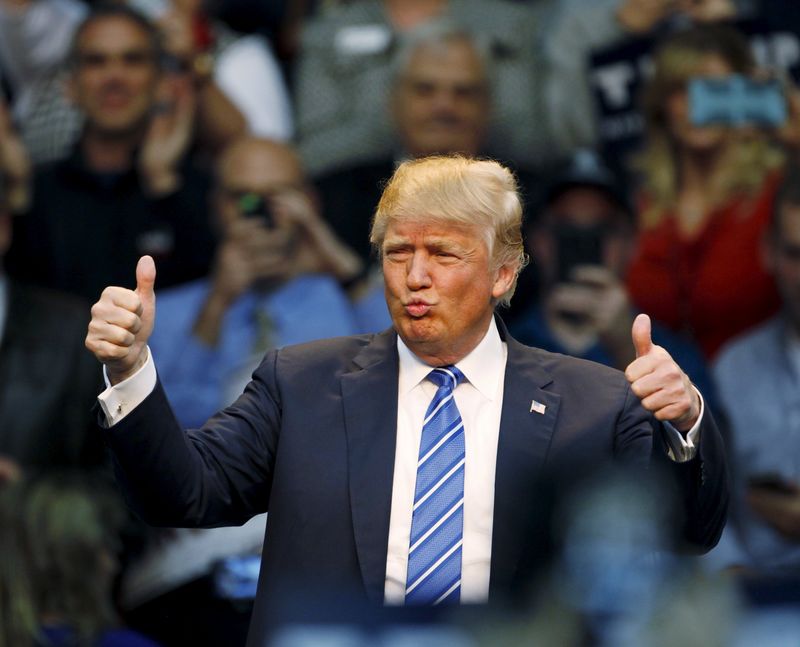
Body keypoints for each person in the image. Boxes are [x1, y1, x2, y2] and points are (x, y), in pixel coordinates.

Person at [86, 156, 728, 645]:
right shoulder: (300, 383)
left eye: (443, 253)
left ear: (504, 273)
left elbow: (689, 535)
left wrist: (685, 422)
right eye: (398, 253)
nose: (414, 276)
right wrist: (131, 370)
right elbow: (183, 493)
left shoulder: (596, 399)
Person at [3, 4, 219, 301]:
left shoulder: (201, 190)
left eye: (133, 60)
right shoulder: (37, 193)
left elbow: (210, 307)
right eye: (96, 61)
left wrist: (162, 183)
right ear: (70, 86)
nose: (114, 77)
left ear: (161, 84)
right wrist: (17, 193)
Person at [624, 23, 798, 358]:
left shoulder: (777, 191)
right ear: (662, 103)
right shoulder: (643, 203)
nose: (695, 104)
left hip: (763, 390)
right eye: (680, 89)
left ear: (742, 96)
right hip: (661, 396)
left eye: (713, 89)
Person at [510, 149, 715, 402]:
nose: (584, 243)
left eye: (602, 230)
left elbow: (699, 438)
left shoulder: (672, 358)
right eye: (567, 230)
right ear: (538, 239)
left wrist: (628, 353)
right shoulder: (504, 347)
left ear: (632, 243)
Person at [709, 165, 800, 574]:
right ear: (769, 251)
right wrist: (729, 573)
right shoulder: (735, 368)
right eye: (796, 254)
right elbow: (703, 502)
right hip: (756, 609)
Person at [0, 180, 104, 473]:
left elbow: (117, 483)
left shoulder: (72, 331)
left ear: (4, 226)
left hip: (36, 516)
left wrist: (30, 496)